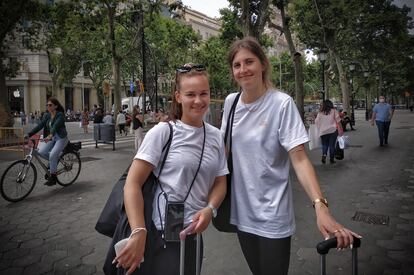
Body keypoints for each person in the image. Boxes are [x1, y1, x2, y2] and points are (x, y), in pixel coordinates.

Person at [221, 37, 360, 275]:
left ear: (263, 64)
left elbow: (300, 159)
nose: (243, 70)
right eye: (237, 65)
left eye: (249, 62)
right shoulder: (230, 102)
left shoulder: (281, 104)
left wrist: (320, 206)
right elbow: (224, 152)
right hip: (241, 213)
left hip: (272, 214)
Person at [113, 63, 228, 275]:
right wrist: (139, 232)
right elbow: (133, 183)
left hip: (193, 235)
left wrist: (210, 209)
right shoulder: (163, 133)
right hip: (158, 234)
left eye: (204, 93)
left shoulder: (216, 136)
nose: (198, 100)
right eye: (190, 94)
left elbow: (221, 181)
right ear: (178, 97)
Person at [27, 97, 68, 186]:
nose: (48, 107)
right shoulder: (47, 115)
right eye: (47, 105)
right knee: (41, 152)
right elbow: (40, 125)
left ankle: (53, 178)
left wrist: (50, 135)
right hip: (52, 138)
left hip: (61, 138)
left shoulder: (60, 115)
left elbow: (55, 126)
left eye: (50, 105)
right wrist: (30, 134)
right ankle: (55, 160)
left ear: (55, 106)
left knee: (52, 155)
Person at [315, 100, 343, 164]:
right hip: (333, 131)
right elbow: (338, 121)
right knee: (332, 145)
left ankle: (324, 155)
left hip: (323, 131)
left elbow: (316, 122)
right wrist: (340, 130)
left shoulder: (320, 113)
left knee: (324, 144)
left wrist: (320, 128)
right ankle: (331, 159)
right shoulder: (334, 111)